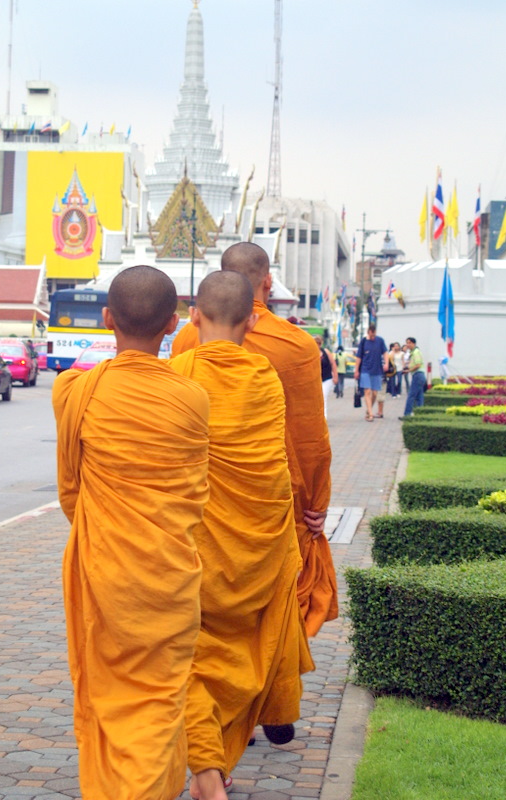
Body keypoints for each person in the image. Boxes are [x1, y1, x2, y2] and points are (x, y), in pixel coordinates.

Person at [52, 266, 211, 800]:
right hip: (169, 580)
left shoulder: (75, 391)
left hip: (106, 575)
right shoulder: (193, 399)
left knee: (111, 700)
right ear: (172, 324)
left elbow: (71, 492)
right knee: (162, 703)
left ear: (106, 319)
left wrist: (102, 530)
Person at [170, 271, 314, 800]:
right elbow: (278, 460)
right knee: (252, 647)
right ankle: (220, 758)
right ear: (254, 320)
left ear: (193, 316)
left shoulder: (180, 372)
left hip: (200, 539)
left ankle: (209, 765)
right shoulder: (265, 377)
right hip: (261, 535)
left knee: (191, 655)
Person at [172, 242, 337, 638]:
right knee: (269, 618)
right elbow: (311, 437)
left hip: (199, 503)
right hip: (274, 503)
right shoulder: (297, 345)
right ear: (267, 282)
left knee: (206, 615)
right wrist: (316, 505)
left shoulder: (184, 345)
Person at [354, 323, 389, 421]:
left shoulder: (380, 341)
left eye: (374, 335)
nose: (373, 337)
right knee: (367, 391)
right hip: (365, 369)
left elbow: (385, 353)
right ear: (368, 332)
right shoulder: (364, 342)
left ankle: (368, 410)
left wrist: (386, 363)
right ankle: (370, 414)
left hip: (377, 370)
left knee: (374, 393)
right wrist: (356, 370)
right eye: (371, 335)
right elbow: (359, 357)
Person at [400, 336, 426, 418]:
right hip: (419, 375)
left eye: (409, 343)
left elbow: (418, 365)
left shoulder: (416, 352)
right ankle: (420, 413)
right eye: (407, 343)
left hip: (418, 375)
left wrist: (409, 370)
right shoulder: (413, 352)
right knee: (419, 396)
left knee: (411, 395)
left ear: (414, 343)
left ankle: (407, 414)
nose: (407, 345)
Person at [315, 335, 338, 416]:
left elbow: (333, 364)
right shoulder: (311, 353)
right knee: (316, 399)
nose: (318, 345)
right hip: (316, 380)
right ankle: (317, 416)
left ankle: (324, 417)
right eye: (316, 343)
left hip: (327, 378)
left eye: (319, 343)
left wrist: (335, 376)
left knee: (323, 396)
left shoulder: (325, 352)